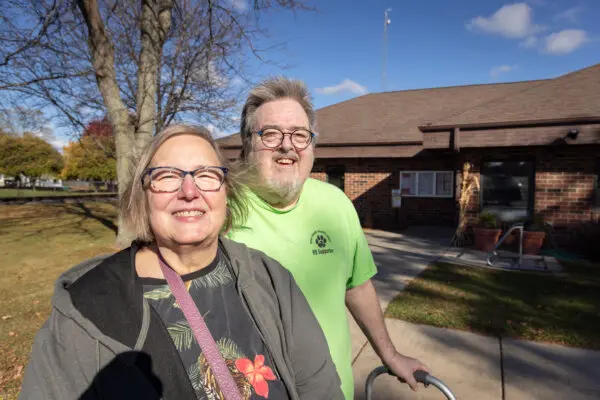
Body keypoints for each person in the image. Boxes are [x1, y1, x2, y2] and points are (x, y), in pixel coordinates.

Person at [19, 125, 343, 400]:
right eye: (167, 176)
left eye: (206, 174)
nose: (189, 191)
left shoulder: (270, 278)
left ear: (226, 193)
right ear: (143, 195)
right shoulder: (83, 310)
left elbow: (320, 388)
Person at [227, 77, 430, 399]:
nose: (286, 145)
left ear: (312, 146)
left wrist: (389, 354)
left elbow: (357, 286)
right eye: (271, 133)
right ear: (247, 143)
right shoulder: (220, 209)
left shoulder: (335, 203)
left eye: (299, 135)